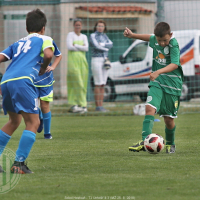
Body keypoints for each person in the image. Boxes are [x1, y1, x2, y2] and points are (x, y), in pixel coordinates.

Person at [0, 9, 54, 174]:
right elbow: (48, 54)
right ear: (43, 28)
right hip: (24, 81)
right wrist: (44, 68)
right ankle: (19, 164)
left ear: (26, 28)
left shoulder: (18, 43)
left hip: (6, 81)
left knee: (14, 121)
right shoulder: (45, 39)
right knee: (33, 123)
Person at [124, 22, 183, 153]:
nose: (162, 43)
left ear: (171, 35)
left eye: (165, 40)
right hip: (157, 82)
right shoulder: (155, 40)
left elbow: (174, 64)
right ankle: (145, 141)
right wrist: (132, 35)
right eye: (159, 40)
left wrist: (158, 71)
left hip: (172, 85)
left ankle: (170, 143)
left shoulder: (174, 44)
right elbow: (148, 37)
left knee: (168, 120)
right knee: (149, 108)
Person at [35, 41, 62, 139]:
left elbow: (59, 55)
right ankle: (39, 117)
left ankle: (47, 133)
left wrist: (53, 66)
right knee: (33, 105)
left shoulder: (47, 41)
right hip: (31, 78)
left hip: (46, 79)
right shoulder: (27, 42)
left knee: (44, 105)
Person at [90, 19, 113, 112]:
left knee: (103, 83)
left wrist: (103, 44)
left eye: (102, 26)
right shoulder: (93, 35)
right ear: (96, 27)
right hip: (96, 60)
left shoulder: (105, 36)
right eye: (99, 26)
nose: (100, 28)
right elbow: (96, 46)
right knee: (98, 83)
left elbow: (111, 44)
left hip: (105, 60)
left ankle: (101, 105)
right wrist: (105, 48)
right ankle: (97, 106)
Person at [66, 19, 89, 113]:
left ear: (81, 26)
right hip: (73, 62)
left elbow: (86, 48)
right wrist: (81, 47)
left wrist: (76, 45)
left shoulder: (84, 36)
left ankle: (83, 105)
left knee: (83, 83)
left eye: (79, 25)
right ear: (74, 26)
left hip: (82, 62)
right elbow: (69, 46)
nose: (78, 27)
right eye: (76, 25)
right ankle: (74, 103)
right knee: (76, 82)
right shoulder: (70, 35)